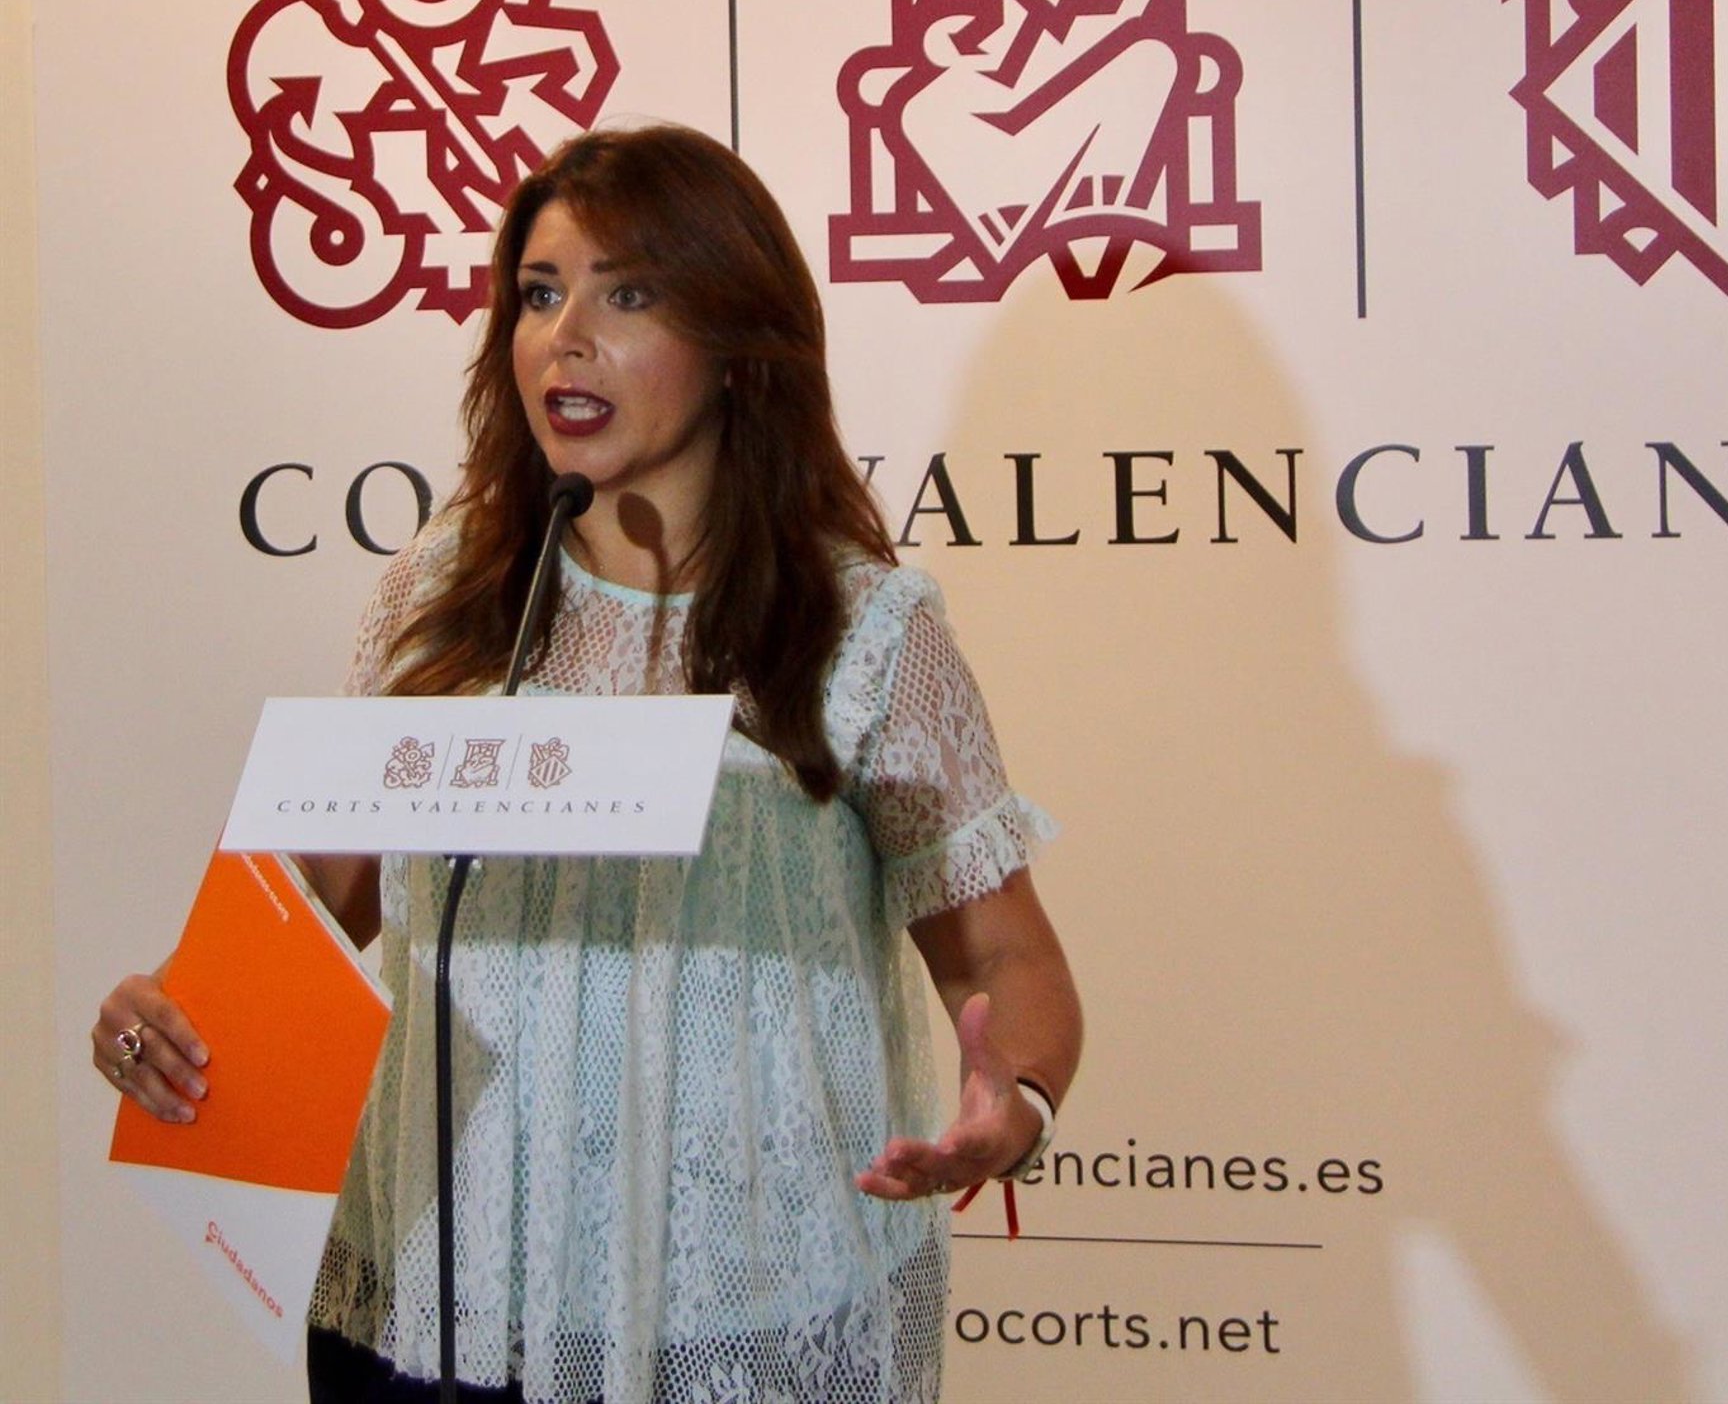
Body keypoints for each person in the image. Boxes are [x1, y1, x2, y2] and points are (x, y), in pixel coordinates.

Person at [93, 123, 1082, 1404]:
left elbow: (1005, 956)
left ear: (737, 342)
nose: (565, 336)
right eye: (540, 292)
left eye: (627, 295)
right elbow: (316, 903)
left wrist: (1017, 1103)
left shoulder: (863, 629)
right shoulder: (441, 599)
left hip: (741, 1327)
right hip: (438, 1316)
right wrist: (173, 1017)